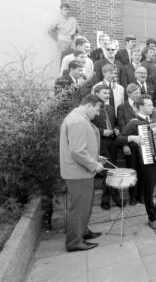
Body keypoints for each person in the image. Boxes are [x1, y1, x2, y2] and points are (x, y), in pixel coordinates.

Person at [116, 95, 156, 230]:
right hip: (148, 162)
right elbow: (119, 139)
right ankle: (152, 218)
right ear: (141, 107)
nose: (152, 107)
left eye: (152, 104)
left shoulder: (155, 120)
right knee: (148, 190)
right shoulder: (134, 123)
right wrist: (132, 138)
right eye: (149, 105)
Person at [59, 94, 104, 252]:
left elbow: (82, 146)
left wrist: (97, 157)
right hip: (79, 173)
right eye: (97, 109)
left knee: (84, 206)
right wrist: (94, 164)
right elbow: (77, 151)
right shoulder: (78, 121)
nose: (97, 113)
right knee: (79, 208)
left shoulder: (79, 117)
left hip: (80, 171)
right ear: (90, 105)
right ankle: (74, 242)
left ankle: (82, 231)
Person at [91, 85, 123, 210]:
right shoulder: (92, 108)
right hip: (101, 142)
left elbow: (115, 123)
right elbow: (89, 127)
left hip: (113, 142)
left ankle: (112, 198)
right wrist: (103, 132)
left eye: (108, 93)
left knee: (112, 170)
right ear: (96, 93)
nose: (107, 95)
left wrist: (116, 129)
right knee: (106, 171)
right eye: (104, 93)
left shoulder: (109, 108)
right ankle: (109, 199)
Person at [117, 84, 142, 205]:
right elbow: (122, 126)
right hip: (130, 144)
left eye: (139, 92)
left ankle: (141, 195)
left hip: (142, 144)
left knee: (142, 170)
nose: (138, 95)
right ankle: (133, 196)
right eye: (136, 93)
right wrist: (125, 145)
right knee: (132, 170)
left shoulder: (141, 105)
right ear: (129, 93)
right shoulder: (122, 107)